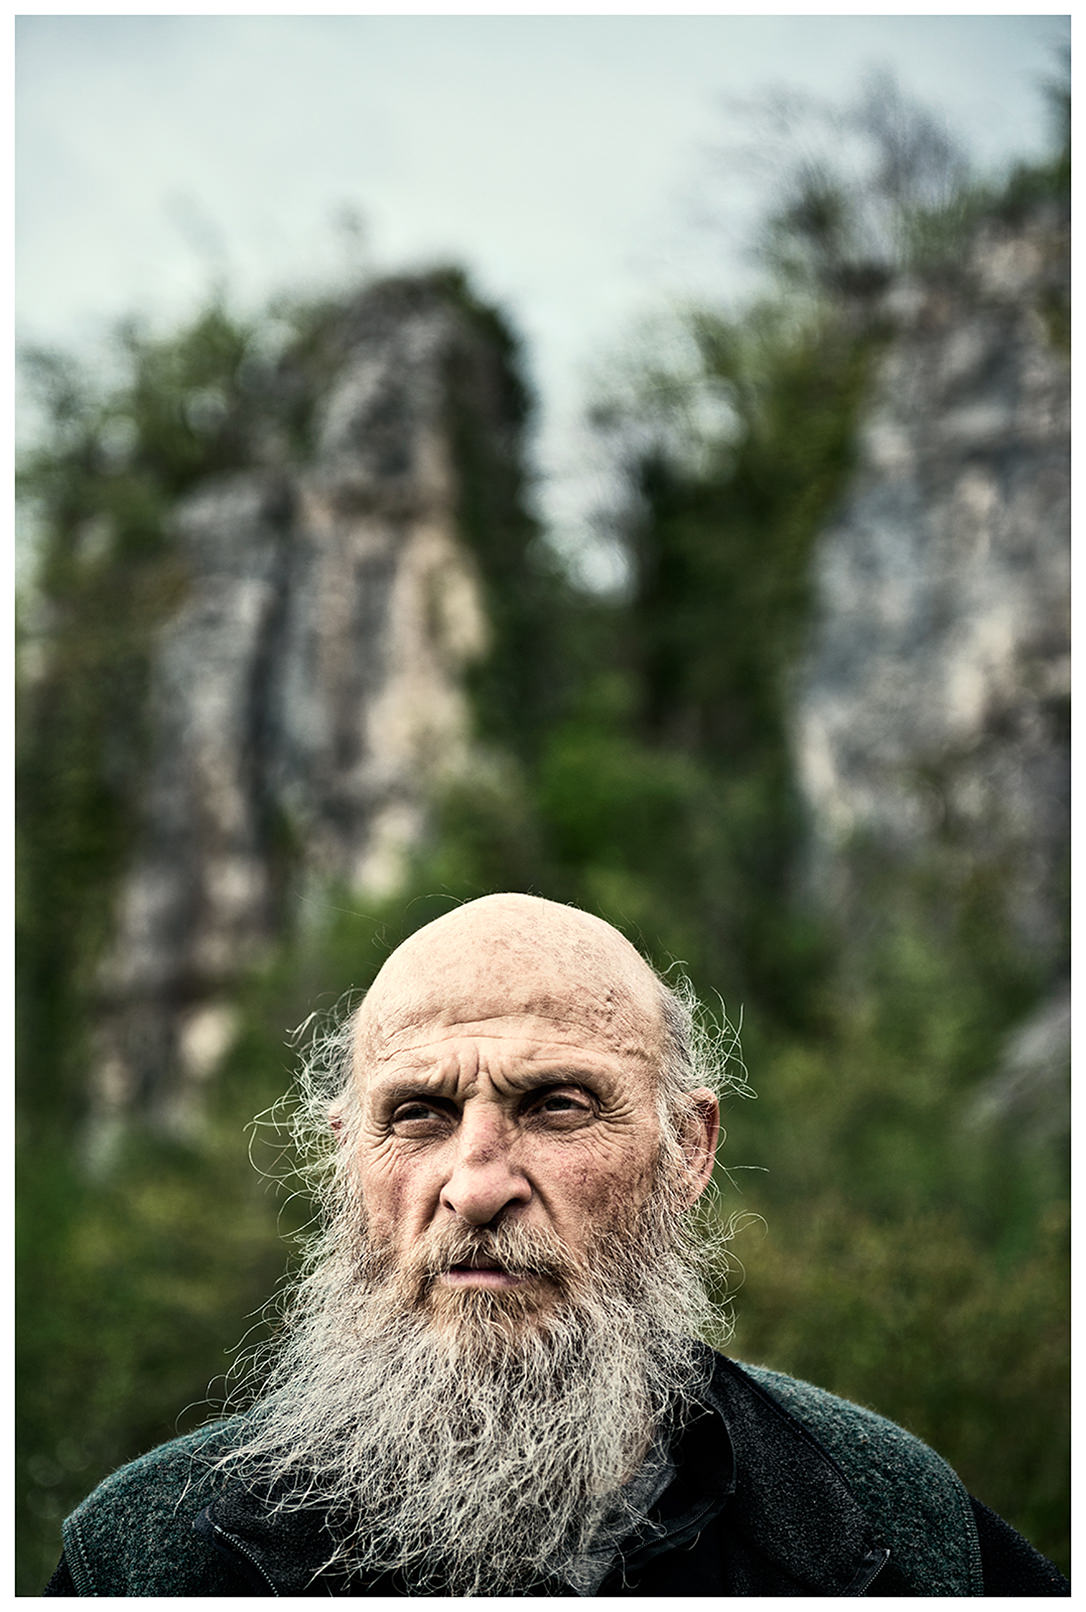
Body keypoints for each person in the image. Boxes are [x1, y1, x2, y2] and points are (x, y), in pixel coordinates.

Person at [45, 893, 1067, 1596]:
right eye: (418, 1113)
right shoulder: (149, 1554)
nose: (478, 1183)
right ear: (345, 1158)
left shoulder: (883, 1517)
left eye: (558, 1105)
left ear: (688, 1149)